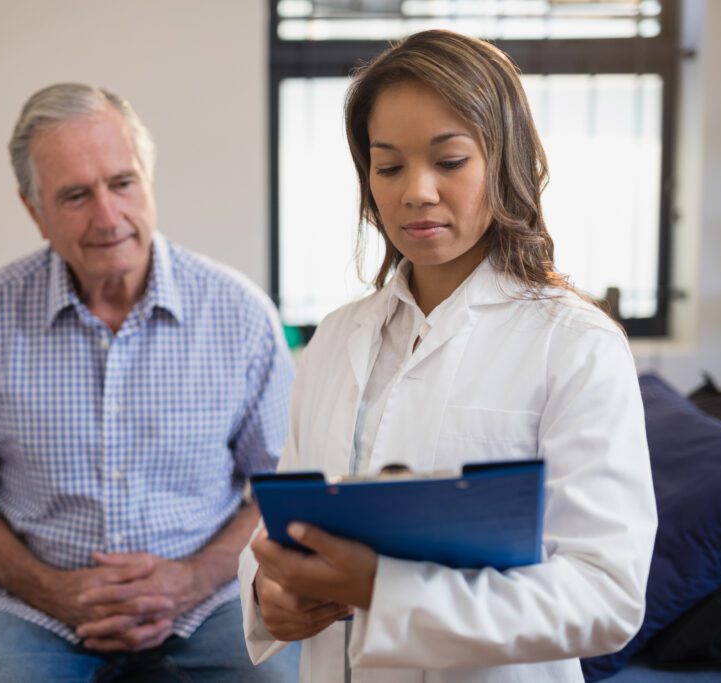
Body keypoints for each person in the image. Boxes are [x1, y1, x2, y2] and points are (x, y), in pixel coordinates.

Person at [239, 29, 657, 683]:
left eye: (450, 160)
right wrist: (269, 592)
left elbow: (606, 591)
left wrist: (389, 590)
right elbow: (287, 517)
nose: (418, 191)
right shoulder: (336, 338)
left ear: (504, 159)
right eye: (389, 165)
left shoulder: (576, 343)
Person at [0, 83, 298, 682]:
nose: (107, 216)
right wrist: (52, 590)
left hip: (210, 602)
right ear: (34, 210)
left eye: (122, 183)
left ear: (148, 179)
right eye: (75, 195)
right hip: (39, 612)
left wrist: (192, 579)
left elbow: (283, 489)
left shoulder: (240, 314)